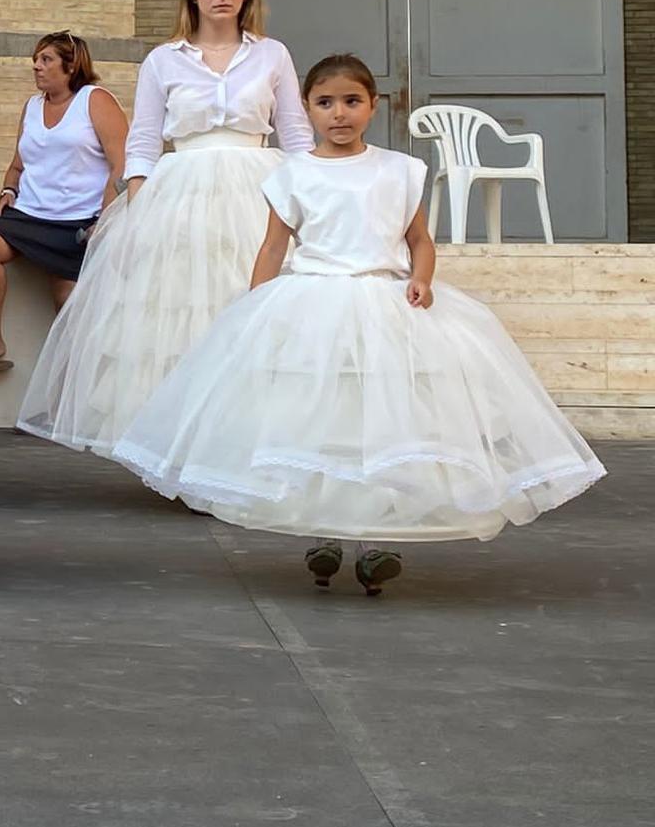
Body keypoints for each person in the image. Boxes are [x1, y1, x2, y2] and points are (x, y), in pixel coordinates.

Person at [114, 55, 605, 595]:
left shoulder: (397, 170)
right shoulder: (293, 174)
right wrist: (254, 305)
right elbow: (274, 246)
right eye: (325, 103)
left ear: (373, 106)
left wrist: (422, 278)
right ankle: (323, 530)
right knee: (323, 419)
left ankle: (377, 536)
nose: (339, 114)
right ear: (307, 109)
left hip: (385, 303)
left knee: (385, 419)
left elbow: (417, 239)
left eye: (352, 101)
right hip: (313, 305)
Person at [17, 0, 313, 460]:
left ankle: (245, 444)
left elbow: (295, 132)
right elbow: (144, 141)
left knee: (251, 308)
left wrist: (316, 198)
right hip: (185, 193)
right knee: (181, 318)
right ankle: (184, 449)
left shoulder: (272, 54)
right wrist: (139, 210)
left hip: (258, 190)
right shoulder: (162, 60)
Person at [0, 32, 128, 372]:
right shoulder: (32, 106)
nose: (36, 67)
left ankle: (70, 399)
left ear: (71, 66)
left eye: (46, 60)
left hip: (80, 220)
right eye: (35, 60)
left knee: (67, 304)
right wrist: (7, 192)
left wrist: (106, 215)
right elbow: (17, 164)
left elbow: (122, 162)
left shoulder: (94, 100)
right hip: (28, 214)